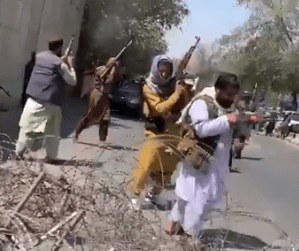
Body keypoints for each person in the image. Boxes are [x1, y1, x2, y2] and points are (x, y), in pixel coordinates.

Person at [167, 73, 261, 237]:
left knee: (197, 197)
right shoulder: (203, 103)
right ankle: (190, 235)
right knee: (197, 199)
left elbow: (236, 128)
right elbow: (201, 129)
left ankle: (175, 223)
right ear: (217, 89)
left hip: (218, 160)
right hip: (198, 156)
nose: (232, 99)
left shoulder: (231, 107)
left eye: (234, 95)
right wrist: (226, 120)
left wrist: (247, 120)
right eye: (228, 94)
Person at [129, 55, 192, 205]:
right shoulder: (148, 87)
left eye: (168, 71)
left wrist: (184, 90)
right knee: (147, 163)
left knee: (167, 168)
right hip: (156, 131)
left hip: (173, 132)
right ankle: (135, 197)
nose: (164, 74)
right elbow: (159, 108)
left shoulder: (174, 85)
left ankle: (154, 195)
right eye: (162, 70)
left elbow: (187, 106)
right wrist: (176, 93)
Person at [15, 38, 77, 163]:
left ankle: (18, 152)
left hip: (32, 100)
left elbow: (51, 64)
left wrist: (62, 58)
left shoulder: (40, 56)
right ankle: (51, 157)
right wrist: (70, 63)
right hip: (51, 103)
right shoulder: (61, 64)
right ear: (59, 48)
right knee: (53, 132)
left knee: (26, 128)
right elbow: (72, 81)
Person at [74, 57, 122, 143]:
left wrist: (116, 68)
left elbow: (117, 78)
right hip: (97, 94)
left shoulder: (112, 70)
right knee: (90, 116)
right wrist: (112, 69)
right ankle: (77, 133)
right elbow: (107, 80)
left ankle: (102, 140)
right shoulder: (101, 69)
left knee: (105, 119)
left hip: (105, 96)